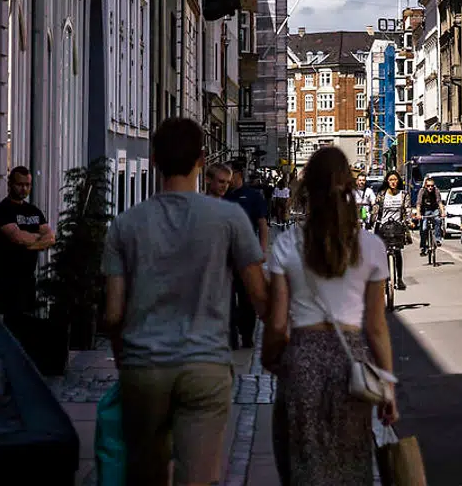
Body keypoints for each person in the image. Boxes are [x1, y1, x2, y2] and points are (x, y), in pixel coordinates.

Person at [102, 117, 269, 486]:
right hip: (205, 366)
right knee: (198, 477)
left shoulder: (125, 225)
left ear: (155, 158)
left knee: (145, 475)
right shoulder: (229, 218)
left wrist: (125, 360)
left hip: (144, 368)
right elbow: (260, 299)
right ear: (201, 160)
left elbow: (113, 314)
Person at [263, 147, 398, 486]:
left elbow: (278, 324)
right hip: (350, 363)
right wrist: (388, 385)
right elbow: (376, 326)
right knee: (351, 464)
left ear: (306, 188)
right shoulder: (370, 246)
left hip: (302, 360)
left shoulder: (288, 244)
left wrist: (271, 358)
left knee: (303, 463)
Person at [0, 166, 56, 319]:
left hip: (29, 277)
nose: (24, 189)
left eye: (28, 185)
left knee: (28, 318)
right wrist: (38, 240)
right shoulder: (2, 210)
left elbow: (51, 237)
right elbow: (18, 237)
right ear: (10, 184)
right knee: (12, 320)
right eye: (20, 185)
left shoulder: (34, 211)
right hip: (8, 278)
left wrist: (30, 244)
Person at [226, 162, 271, 348]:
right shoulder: (223, 195)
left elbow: (262, 224)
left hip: (246, 255)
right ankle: (231, 337)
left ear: (238, 174)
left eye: (230, 174)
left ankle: (246, 335)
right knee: (227, 298)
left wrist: (261, 249)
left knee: (247, 299)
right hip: (225, 256)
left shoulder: (253, 196)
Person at [376, 172, 409, 290]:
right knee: (383, 253)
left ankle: (399, 279)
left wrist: (409, 221)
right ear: (387, 181)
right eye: (390, 180)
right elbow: (376, 209)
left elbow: (407, 210)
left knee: (397, 252)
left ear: (398, 181)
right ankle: (385, 278)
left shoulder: (403, 194)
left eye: (395, 180)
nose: (393, 182)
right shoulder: (382, 194)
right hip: (384, 227)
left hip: (398, 228)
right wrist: (373, 219)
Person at [416, 177, 441, 252]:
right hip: (425, 210)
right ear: (425, 186)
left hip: (434, 209)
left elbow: (439, 202)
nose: (430, 187)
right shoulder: (422, 191)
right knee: (424, 228)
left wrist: (442, 212)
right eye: (428, 186)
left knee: (437, 220)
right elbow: (418, 203)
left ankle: (437, 239)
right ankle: (423, 246)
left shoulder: (436, 190)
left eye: (432, 186)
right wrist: (418, 213)